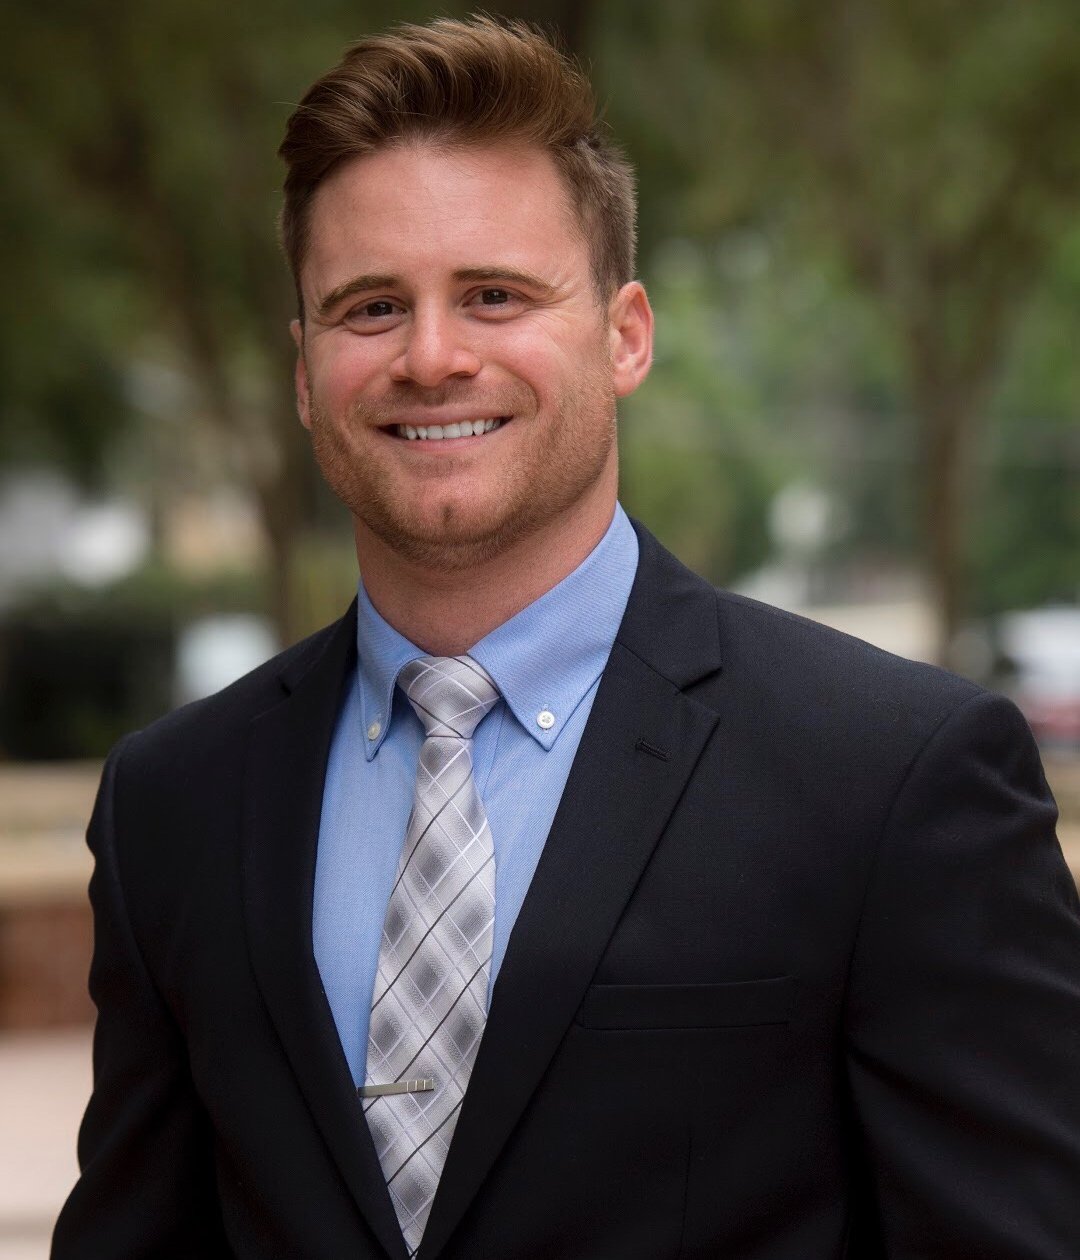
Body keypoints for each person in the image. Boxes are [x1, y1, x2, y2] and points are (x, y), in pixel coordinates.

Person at [53, 16, 1080, 1260]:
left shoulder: (895, 779)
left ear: (624, 334)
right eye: (371, 307)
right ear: (305, 371)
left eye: (494, 294)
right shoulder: (173, 805)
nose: (432, 356)